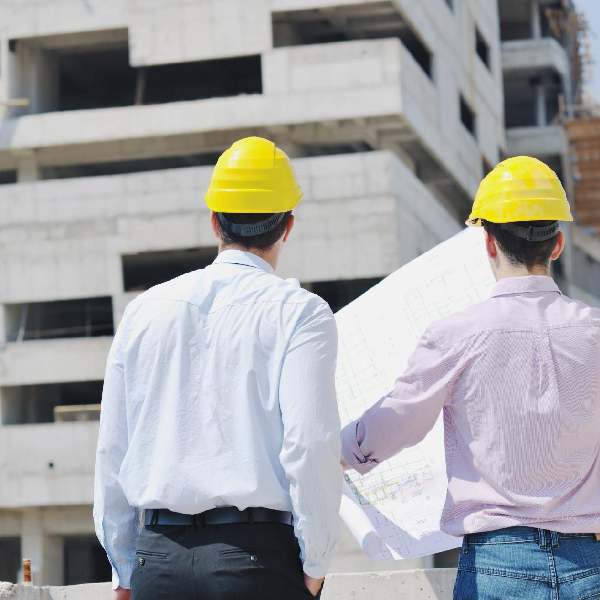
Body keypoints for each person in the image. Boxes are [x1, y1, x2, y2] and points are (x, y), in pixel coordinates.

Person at [94, 137, 343, 600]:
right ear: (288, 226)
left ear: (214, 221)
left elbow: (113, 451)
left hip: (158, 559)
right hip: (255, 560)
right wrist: (316, 563)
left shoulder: (145, 310)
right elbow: (309, 443)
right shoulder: (300, 313)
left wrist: (124, 569)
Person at [341, 156, 600, 600]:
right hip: (588, 568)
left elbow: (397, 422)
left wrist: (333, 453)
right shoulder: (594, 332)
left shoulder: (456, 334)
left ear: (487, 244)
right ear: (557, 245)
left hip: (496, 570)